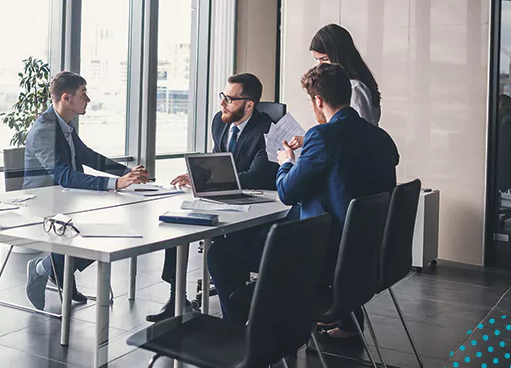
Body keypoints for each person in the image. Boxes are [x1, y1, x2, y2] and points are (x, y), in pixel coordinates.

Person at [276, 63, 399, 338]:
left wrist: (286, 163)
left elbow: (287, 193)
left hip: (330, 253)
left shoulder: (321, 136)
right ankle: (346, 321)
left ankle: (259, 336)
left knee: (227, 254)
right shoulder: (381, 137)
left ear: (318, 100)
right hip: (369, 250)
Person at [146, 73, 280, 322]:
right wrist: (197, 176)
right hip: (221, 196)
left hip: (255, 204)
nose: (222, 104)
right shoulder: (220, 122)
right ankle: (177, 298)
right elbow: (218, 162)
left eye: (229, 99)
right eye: (223, 97)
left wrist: (210, 181)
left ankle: (238, 313)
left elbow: (257, 176)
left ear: (249, 104)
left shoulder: (267, 130)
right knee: (179, 222)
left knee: (224, 250)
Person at [23, 71, 149, 310]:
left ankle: (56, 269)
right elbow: (64, 175)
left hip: (66, 199)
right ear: (66, 98)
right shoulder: (44, 130)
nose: (88, 100)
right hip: (43, 203)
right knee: (96, 233)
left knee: (103, 231)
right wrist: (115, 184)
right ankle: (44, 268)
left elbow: (88, 156)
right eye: (83, 94)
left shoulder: (65, 125)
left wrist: (127, 172)